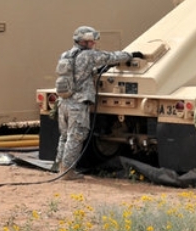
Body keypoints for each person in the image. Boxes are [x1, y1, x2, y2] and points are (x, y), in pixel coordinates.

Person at [54, 25, 144, 180]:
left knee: (64, 137)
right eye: (92, 41)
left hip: (63, 102)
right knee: (76, 136)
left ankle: (59, 167)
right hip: (78, 104)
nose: (94, 43)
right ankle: (67, 172)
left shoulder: (66, 55)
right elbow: (111, 57)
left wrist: (99, 70)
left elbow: (79, 74)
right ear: (85, 41)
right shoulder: (88, 55)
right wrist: (130, 55)